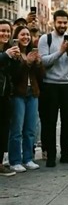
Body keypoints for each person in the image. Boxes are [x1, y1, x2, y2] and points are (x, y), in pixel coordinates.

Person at [38, 9, 68, 168]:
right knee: (50, 122)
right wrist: (60, 52)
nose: (63, 25)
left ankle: (65, 153)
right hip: (50, 85)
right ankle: (51, 155)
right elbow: (44, 61)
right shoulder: (46, 39)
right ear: (54, 22)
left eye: (65, 22)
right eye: (60, 22)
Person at [8, 25, 45, 173]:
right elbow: (14, 76)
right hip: (18, 94)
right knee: (16, 129)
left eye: (28, 35)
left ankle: (28, 158)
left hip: (32, 93)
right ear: (17, 37)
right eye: (23, 35)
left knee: (30, 129)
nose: (26, 37)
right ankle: (15, 160)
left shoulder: (32, 53)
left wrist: (38, 63)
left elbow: (41, 76)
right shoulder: (14, 54)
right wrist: (27, 63)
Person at [0, 20, 17, 176]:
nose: (5, 34)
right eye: (2, 31)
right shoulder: (5, 52)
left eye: (7, 31)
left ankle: (0, 163)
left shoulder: (9, 50)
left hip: (5, 96)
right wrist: (5, 56)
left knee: (4, 129)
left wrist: (17, 59)